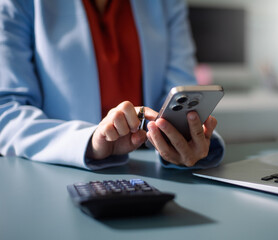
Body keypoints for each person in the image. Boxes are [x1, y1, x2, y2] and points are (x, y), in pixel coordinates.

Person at [0, 0, 224, 170]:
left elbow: (181, 97)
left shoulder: (167, 4)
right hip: (54, 175)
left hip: (153, 174)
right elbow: (6, 112)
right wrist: (88, 143)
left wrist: (188, 138)